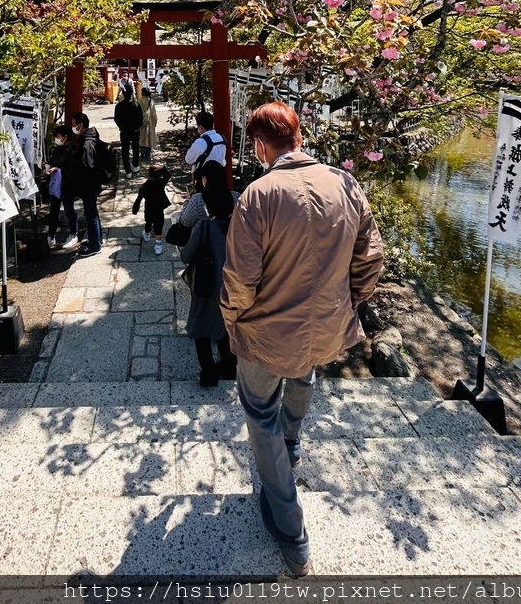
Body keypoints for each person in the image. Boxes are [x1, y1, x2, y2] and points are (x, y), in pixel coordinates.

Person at [220, 101, 384, 577]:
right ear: (300, 136)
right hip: (325, 326)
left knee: (259, 413)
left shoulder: (257, 195)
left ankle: (292, 533)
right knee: (304, 372)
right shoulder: (346, 184)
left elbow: (240, 282)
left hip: (266, 334)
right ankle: (290, 446)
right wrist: (348, 302)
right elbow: (370, 257)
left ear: (259, 145)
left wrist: (230, 317)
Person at [179, 159, 238, 387]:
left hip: (206, 280)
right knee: (226, 324)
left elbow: (186, 255)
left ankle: (208, 373)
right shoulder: (237, 198)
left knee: (201, 325)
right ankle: (229, 366)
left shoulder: (203, 221)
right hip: (233, 277)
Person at [70, 111, 103, 257]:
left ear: (80, 125)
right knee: (93, 213)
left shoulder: (86, 144)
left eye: (73, 125)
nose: (72, 127)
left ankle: (94, 245)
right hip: (92, 183)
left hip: (88, 185)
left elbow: (87, 166)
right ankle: (97, 239)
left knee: (91, 214)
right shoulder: (91, 137)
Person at [46, 125, 79, 250]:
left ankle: (73, 233)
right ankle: (51, 234)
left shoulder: (72, 151)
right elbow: (53, 162)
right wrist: (47, 165)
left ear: (65, 137)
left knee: (68, 209)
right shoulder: (58, 149)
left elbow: (71, 169)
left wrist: (57, 169)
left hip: (67, 184)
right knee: (53, 209)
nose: (56, 139)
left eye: (58, 137)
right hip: (55, 184)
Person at [132, 162, 171, 255]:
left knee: (148, 222)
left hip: (149, 207)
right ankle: (158, 245)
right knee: (158, 225)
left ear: (148, 174)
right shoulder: (161, 182)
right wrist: (163, 168)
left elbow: (138, 199)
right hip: (159, 208)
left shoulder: (144, 186)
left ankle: (146, 234)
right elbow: (168, 175)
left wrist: (135, 209)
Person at [184, 110, 227, 190]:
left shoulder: (200, 142)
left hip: (204, 179)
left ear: (201, 127)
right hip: (221, 176)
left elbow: (188, 160)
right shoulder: (222, 137)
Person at [114, 81, 144, 176]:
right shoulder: (136, 105)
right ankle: (135, 166)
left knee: (125, 150)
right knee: (135, 148)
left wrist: (121, 126)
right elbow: (140, 118)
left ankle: (128, 170)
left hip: (124, 131)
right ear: (131, 93)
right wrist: (138, 126)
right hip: (135, 130)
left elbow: (116, 119)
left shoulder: (118, 106)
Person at [138, 88, 157, 160]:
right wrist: (154, 122)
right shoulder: (151, 101)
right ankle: (148, 154)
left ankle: (142, 152)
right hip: (150, 122)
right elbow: (154, 114)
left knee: (142, 138)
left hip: (142, 122)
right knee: (149, 138)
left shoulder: (139, 101)